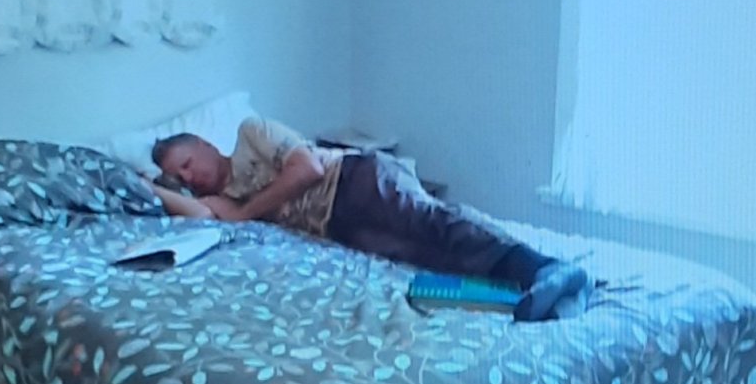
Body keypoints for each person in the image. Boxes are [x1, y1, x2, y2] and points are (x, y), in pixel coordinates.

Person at [147, 115, 589, 322]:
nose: (189, 177)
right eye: (179, 178)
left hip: (352, 180)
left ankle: (544, 267)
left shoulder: (250, 133)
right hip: (338, 229)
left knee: (432, 223)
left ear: (205, 145)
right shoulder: (222, 199)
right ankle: (550, 295)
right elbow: (206, 215)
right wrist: (150, 186)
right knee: (431, 256)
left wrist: (247, 211)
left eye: (187, 164)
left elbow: (308, 169)